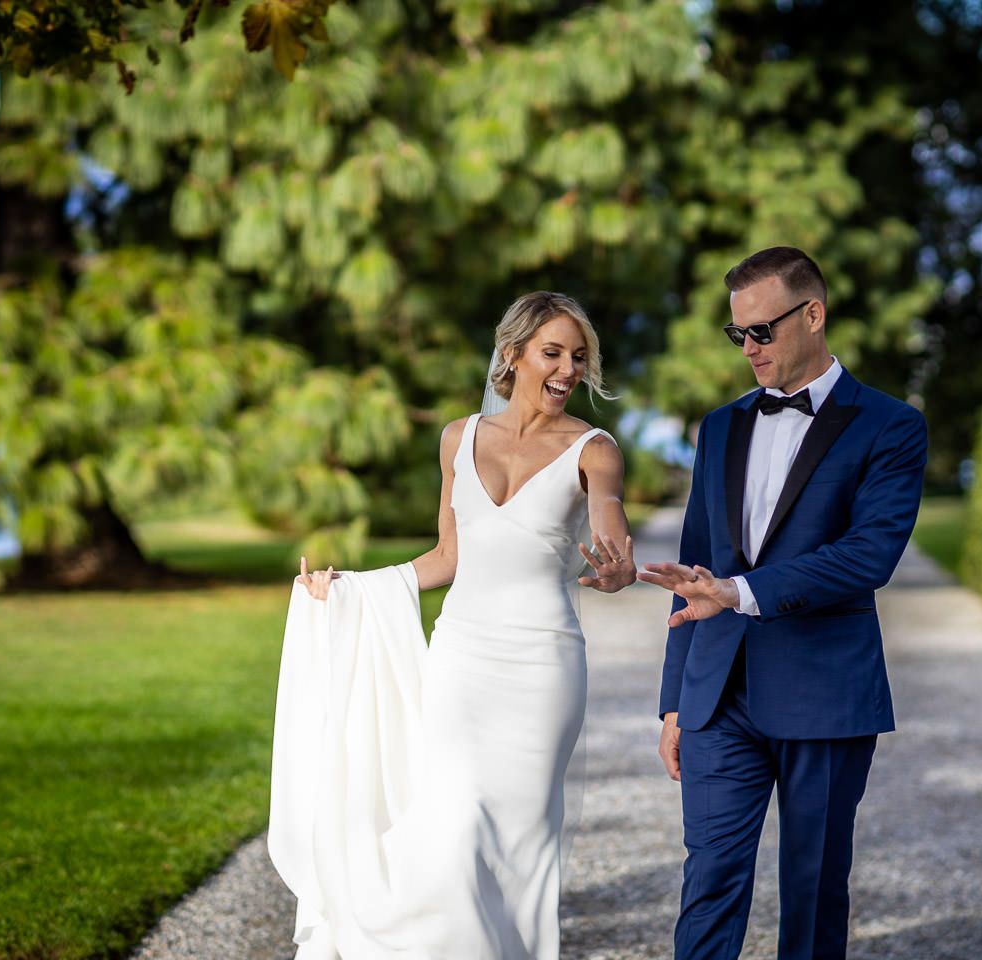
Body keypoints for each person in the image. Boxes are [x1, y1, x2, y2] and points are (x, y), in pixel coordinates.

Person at [268, 291, 637, 960]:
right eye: (552, 352)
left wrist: (617, 567)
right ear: (513, 354)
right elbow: (448, 557)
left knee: (522, 845)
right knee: (455, 823)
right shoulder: (458, 439)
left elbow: (612, 529)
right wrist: (348, 589)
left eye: (579, 358)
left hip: (542, 671)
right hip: (461, 660)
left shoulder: (594, 449)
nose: (567, 369)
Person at [638, 247, 927, 960]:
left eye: (762, 331)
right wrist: (675, 699)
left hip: (824, 692)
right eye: (738, 335)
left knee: (814, 888)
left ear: (814, 314)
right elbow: (692, 572)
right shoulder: (721, 426)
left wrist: (740, 593)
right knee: (708, 880)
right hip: (716, 695)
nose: (749, 350)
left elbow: (869, 556)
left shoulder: (889, 426)